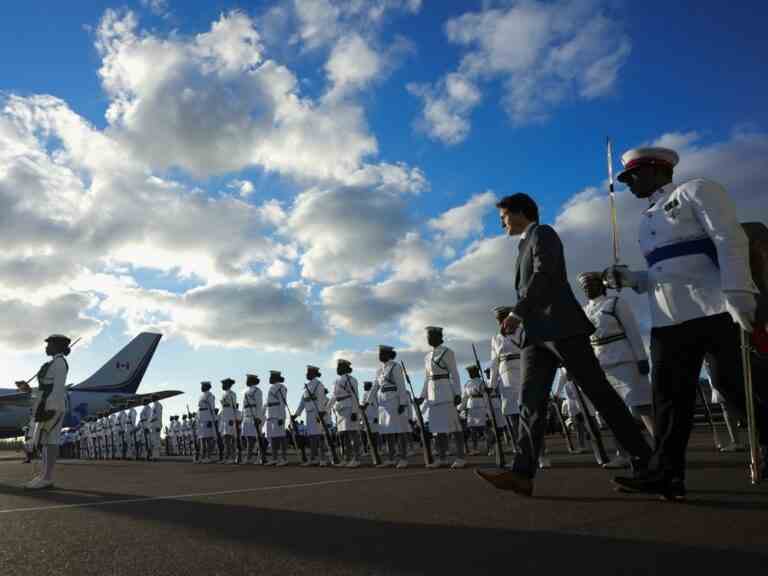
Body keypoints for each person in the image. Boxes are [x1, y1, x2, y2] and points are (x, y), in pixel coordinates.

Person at [606, 147, 768, 497]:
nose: (629, 183)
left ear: (657, 170)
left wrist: (739, 290)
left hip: (716, 306)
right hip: (669, 318)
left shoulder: (695, 190)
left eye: (633, 175)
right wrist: (633, 278)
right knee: (667, 399)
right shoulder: (647, 218)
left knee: (734, 385)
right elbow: (666, 271)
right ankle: (666, 474)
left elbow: (729, 238)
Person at [476, 193, 652, 497]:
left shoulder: (544, 234)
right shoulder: (522, 246)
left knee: (599, 394)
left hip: (562, 327)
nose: (500, 222)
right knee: (530, 402)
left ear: (520, 212)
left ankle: (646, 462)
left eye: (503, 215)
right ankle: (522, 474)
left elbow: (545, 273)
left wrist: (518, 311)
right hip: (536, 336)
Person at [577, 272, 654, 469]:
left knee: (641, 407)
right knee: (614, 413)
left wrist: (642, 358)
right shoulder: (584, 311)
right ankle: (624, 454)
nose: (587, 289)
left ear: (601, 285)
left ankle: (664, 448)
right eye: (584, 287)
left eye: (591, 284)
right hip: (602, 365)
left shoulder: (615, 303)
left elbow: (633, 331)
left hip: (624, 359)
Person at [24, 334, 71, 489]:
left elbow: (57, 389)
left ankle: (47, 477)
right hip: (46, 405)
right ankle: (44, 476)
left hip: (53, 407)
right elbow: (44, 389)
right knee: (45, 442)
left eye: (49, 344)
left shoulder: (59, 364)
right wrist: (28, 390)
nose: (46, 347)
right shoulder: (53, 363)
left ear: (56, 346)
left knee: (50, 442)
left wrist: (50, 409)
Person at [419, 326, 466, 469]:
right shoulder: (427, 356)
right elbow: (427, 378)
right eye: (427, 336)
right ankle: (442, 457)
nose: (428, 339)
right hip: (433, 395)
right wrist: (422, 396)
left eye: (430, 336)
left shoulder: (447, 352)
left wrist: (458, 393)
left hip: (446, 391)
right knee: (437, 428)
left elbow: (455, 374)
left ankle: (460, 457)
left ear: (439, 337)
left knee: (454, 426)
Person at [366, 345, 409, 468]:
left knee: (400, 431)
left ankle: (403, 458)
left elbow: (401, 385)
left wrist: (402, 403)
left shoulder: (395, 366)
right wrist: (367, 402)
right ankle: (391, 457)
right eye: (379, 353)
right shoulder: (380, 369)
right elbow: (375, 386)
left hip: (394, 401)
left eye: (382, 353)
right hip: (383, 403)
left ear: (389, 354)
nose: (379, 355)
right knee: (388, 432)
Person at [327, 359, 363, 468]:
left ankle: (356, 458)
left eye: (340, 367)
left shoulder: (351, 380)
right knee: (344, 436)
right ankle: (347, 458)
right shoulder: (336, 381)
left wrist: (354, 411)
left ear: (345, 368)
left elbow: (355, 396)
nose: (337, 369)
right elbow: (334, 397)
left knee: (352, 434)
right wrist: (326, 409)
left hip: (349, 407)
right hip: (340, 409)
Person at [295, 366, 331, 466]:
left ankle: (323, 459)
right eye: (307, 372)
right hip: (309, 413)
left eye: (308, 372)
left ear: (313, 373)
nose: (307, 374)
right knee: (312, 437)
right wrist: (297, 414)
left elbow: (321, 399)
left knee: (319, 437)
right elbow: (302, 402)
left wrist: (320, 412)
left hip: (316, 413)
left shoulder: (319, 384)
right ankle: (313, 458)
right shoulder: (307, 386)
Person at [265, 370, 290, 466]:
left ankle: (284, 458)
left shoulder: (281, 387)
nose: (269, 378)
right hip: (271, 415)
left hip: (278, 415)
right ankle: (274, 458)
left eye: (271, 377)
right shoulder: (271, 387)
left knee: (281, 437)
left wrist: (281, 417)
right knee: (273, 438)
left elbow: (282, 402)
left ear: (275, 378)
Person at [242, 374, 265, 464]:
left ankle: (261, 457)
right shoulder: (246, 391)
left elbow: (259, 404)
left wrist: (258, 417)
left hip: (254, 416)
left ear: (252, 381)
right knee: (249, 438)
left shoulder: (257, 391)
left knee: (257, 438)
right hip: (247, 416)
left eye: (248, 379)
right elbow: (244, 407)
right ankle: (249, 457)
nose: (246, 381)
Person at [197, 381, 218, 463]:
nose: (201, 387)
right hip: (201, 418)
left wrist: (211, 419)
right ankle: (203, 456)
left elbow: (212, 408)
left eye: (202, 386)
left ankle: (208, 457)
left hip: (207, 417)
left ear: (207, 387)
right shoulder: (201, 396)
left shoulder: (210, 395)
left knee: (208, 439)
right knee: (202, 438)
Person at [220, 378, 239, 464]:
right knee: (225, 439)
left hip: (229, 417)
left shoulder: (232, 394)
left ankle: (232, 457)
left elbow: (233, 407)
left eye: (223, 384)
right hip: (224, 417)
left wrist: (233, 418)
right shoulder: (224, 394)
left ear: (228, 385)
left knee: (230, 438)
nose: (222, 386)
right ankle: (227, 457)